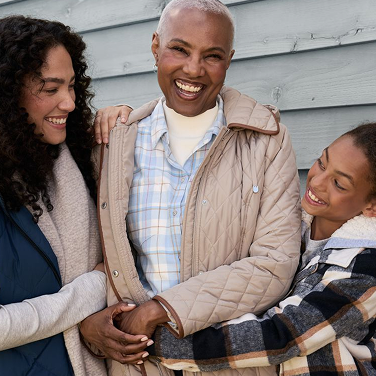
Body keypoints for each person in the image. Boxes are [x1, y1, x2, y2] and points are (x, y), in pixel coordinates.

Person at [79, 0, 301, 375]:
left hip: (230, 363)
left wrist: (162, 308)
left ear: (228, 60)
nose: (193, 69)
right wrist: (87, 321)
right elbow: (91, 255)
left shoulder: (267, 141)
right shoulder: (113, 143)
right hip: (138, 364)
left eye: (211, 56)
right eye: (179, 49)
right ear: (155, 46)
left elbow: (274, 264)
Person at [0, 15, 147, 376]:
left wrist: (118, 126)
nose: (70, 103)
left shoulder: (58, 161)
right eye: (51, 88)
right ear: (5, 94)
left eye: (72, 86)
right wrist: (98, 284)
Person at [146, 113, 376, 376]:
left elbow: (282, 335)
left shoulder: (368, 267)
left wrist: (155, 343)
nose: (317, 181)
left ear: (374, 207)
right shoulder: (289, 224)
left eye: (339, 184)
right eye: (322, 162)